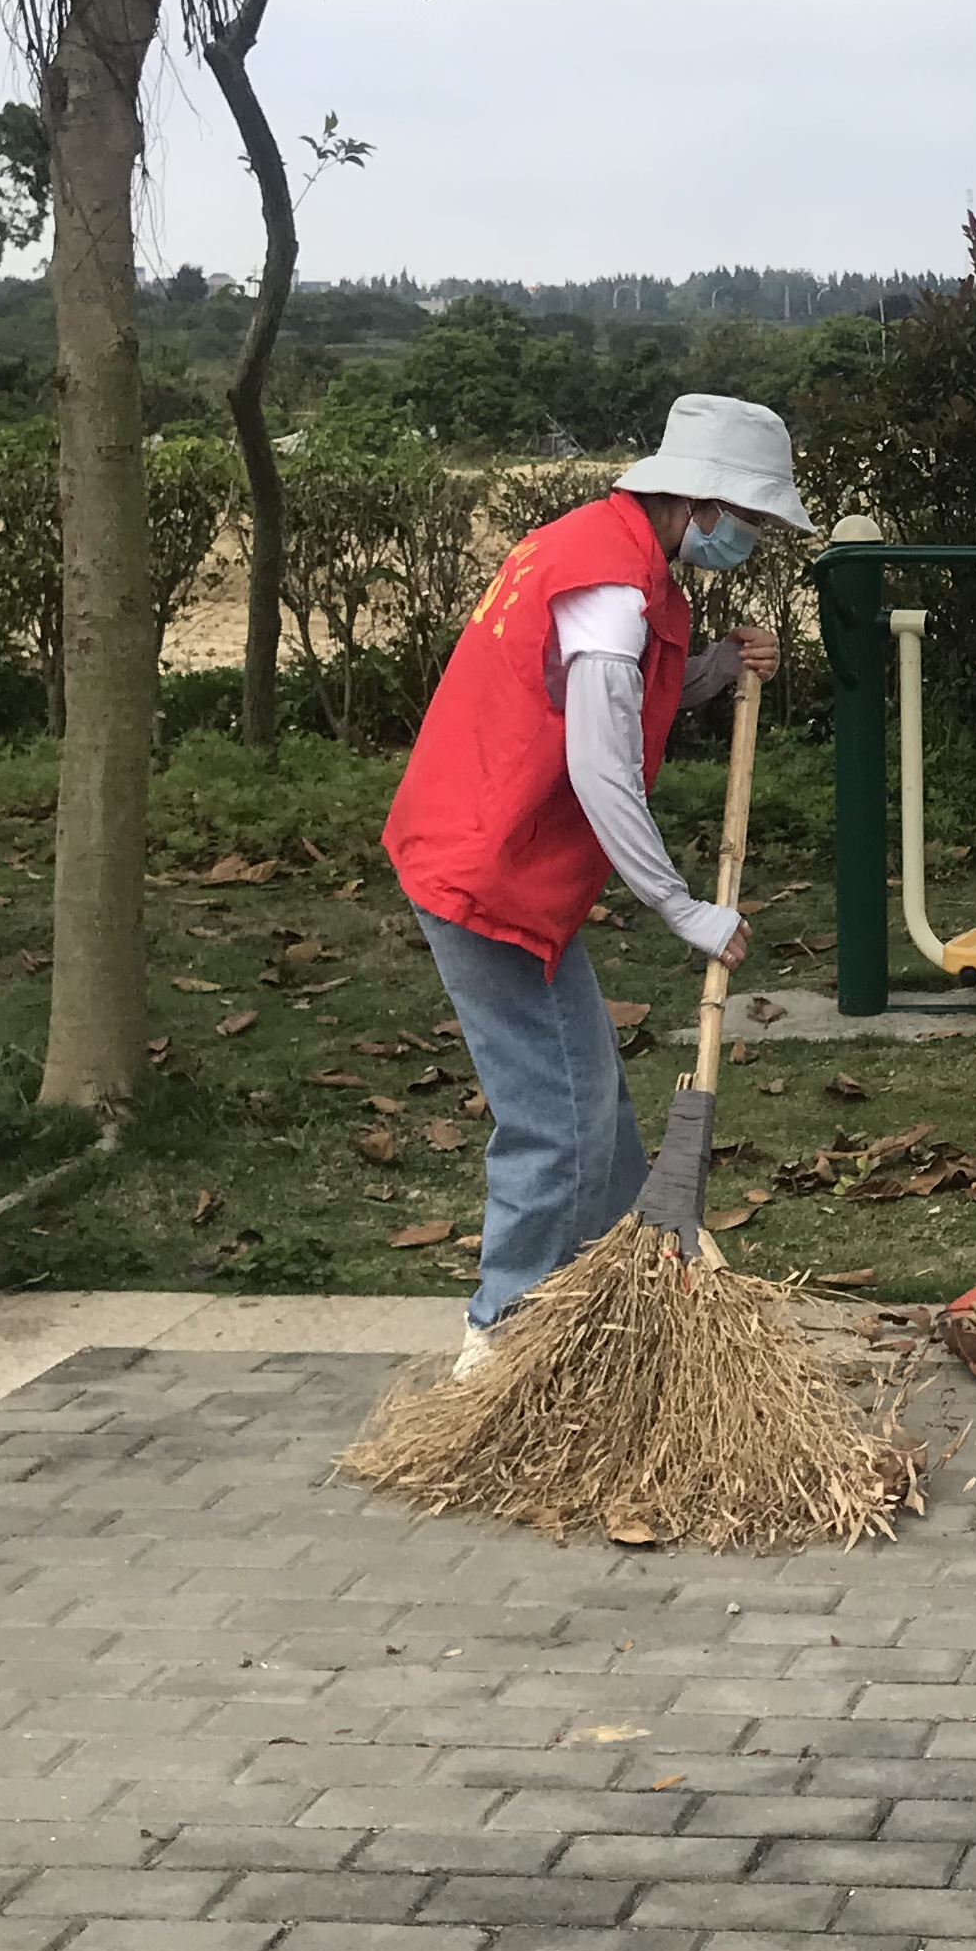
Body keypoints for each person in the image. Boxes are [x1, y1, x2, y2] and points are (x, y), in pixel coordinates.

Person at [382, 396, 805, 1373]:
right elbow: (602, 767)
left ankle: (616, 1308)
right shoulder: (612, 589)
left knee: (596, 1109)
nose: (756, 539)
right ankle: (504, 1341)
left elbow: (613, 690)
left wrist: (713, 668)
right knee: (560, 1121)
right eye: (754, 520)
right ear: (702, 501)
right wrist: (682, 906)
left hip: (494, 854)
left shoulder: (613, 558)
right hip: (488, 869)